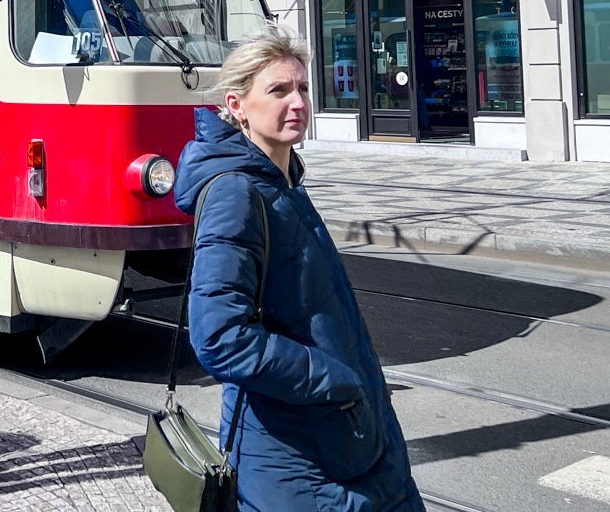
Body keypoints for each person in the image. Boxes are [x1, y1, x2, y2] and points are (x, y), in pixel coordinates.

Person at [173, 26, 423, 512]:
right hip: (295, 455)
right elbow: (219, 337)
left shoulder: (283, 183)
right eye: (279, 90)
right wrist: (334, 381)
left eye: (303, 87)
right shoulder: (236, 193)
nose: (298, 102)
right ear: (237, 105)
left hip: (339, 440)